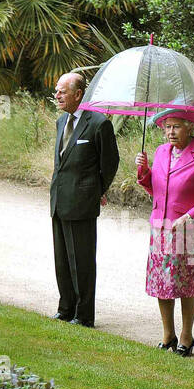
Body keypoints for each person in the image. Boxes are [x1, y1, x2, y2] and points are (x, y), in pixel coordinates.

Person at [136, 108, 194, 356]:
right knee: (160, 281)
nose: (170, 132)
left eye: (176, 126)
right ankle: (168, 334)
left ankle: (186, 335)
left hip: (188, 228)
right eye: (167, 126)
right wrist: (143, 171)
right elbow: (157, 189)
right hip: (160, 226)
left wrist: (188, 216)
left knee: (184, 282)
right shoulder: (162, 151)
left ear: (190, 128)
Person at [49, 72, 120, 328]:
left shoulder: (99, 124)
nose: (57, 95)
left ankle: (84, 315)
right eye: (56, 91)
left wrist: (97, 190)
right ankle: (65, 308)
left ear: (78, 94)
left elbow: (110, 163)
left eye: (62, 91)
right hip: (59, 201)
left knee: (82, 261)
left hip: (82, 203)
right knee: (62, 260)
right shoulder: (60, 122)